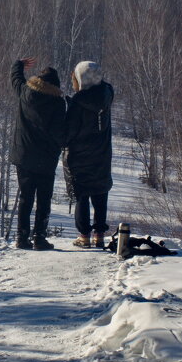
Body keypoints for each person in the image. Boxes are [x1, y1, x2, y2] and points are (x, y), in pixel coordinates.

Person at [10, 56, 67, 250]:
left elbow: (15, 79)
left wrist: (18, 64)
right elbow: (61, 133)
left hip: (24, 157)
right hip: (46, 159)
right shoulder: (58, 104)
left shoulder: (25, 93)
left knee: (25, 198)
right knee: (44, 199)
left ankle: (21, 237)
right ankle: (40, 238)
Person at [65, 60, 114, 248]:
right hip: (102, 154)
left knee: (82, 194)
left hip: (80, 155)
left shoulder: (78, 103)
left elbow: (69, 132)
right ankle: (99, 235)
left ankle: (84, 235)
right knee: (100, 192)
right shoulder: (106, 96)